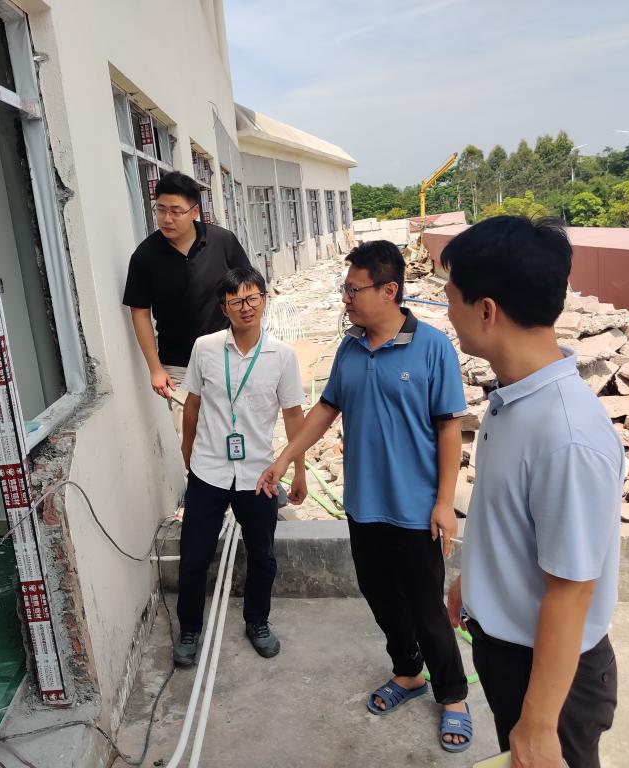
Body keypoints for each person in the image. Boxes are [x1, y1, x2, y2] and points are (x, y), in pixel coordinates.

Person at [257, 241, 473, 753]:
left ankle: (454, 696)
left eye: (354, 290)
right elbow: (326, 409)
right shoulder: (350, 348)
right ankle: (408, 673)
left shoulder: (432, 347)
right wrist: (285, 458)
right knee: (380, 596)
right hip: (363, 505)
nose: (345, 298)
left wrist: (444, 502)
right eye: (345, 288)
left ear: (389, 290)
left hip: (415, 509)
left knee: (426, 607)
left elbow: (450, 429)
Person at [442, 216, 623, 768]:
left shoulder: (566, 435)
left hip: (550, 679)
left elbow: (572, 591)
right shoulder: (515, 399)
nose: (446, 311)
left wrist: (540, 723)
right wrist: (475, 583)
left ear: (487, 310)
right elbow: (513, 520)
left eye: (450, 297)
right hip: (510, 651)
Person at [175, 267, 308, 665]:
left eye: (252, 298)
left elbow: (294, 416)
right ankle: (189, 630)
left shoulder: (282, 356)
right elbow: (193, 405)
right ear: (224, 308)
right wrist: (188, 453)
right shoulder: (205, 348)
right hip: (209, 469)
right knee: (194, 556)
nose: (245, 307)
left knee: (262, 555)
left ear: (264, 300)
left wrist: (299, 471)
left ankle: (258, 622)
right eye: (236, 301)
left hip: (259, 474)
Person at [123, 171, 251, 403]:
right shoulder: (145, 256)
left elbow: (248, 289)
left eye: (176, 211)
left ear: (195, 211)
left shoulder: (222, 241)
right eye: (161, 210)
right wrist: (155, 369)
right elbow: (140, 313)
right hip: (179, 367)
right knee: (190, 427)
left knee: (237, 423)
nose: (166, 219)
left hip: (230, 356)